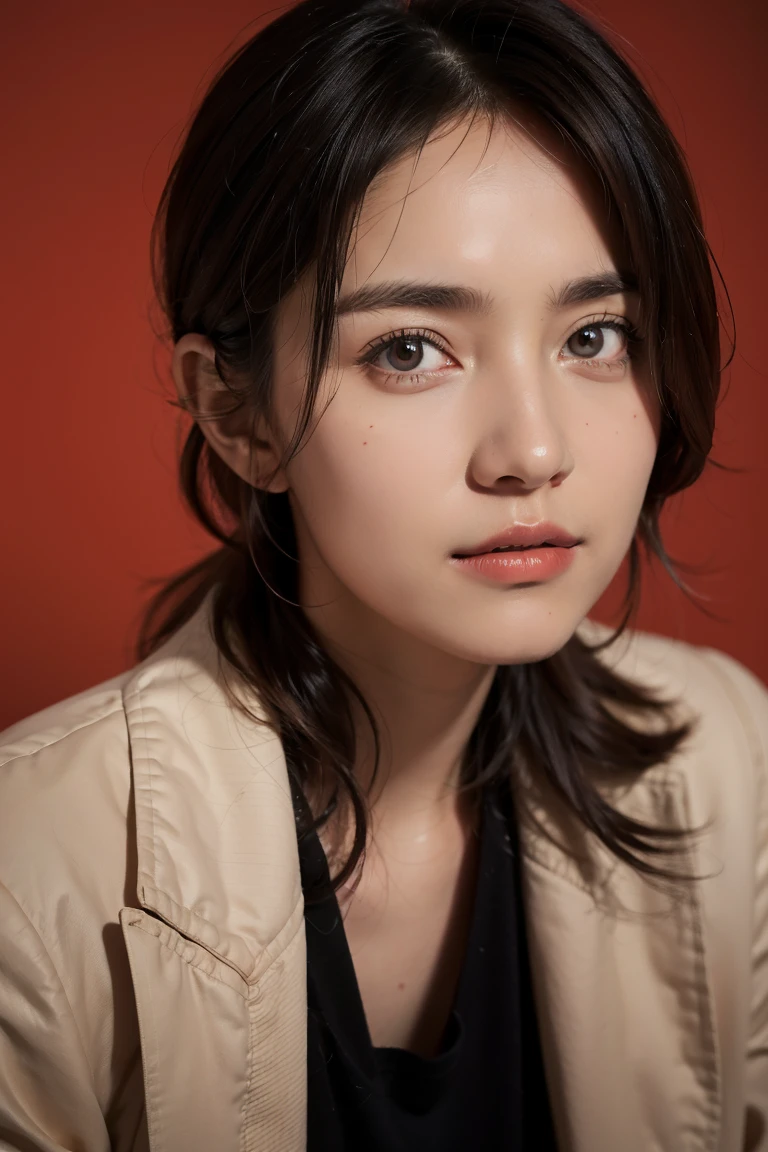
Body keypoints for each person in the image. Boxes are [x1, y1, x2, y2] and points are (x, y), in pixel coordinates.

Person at [0, 0, 766, 1148]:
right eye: (411, 349)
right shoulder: (29, 871)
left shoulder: (730, 760)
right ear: (235, 411)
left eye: (594, 335)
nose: (535, 452)